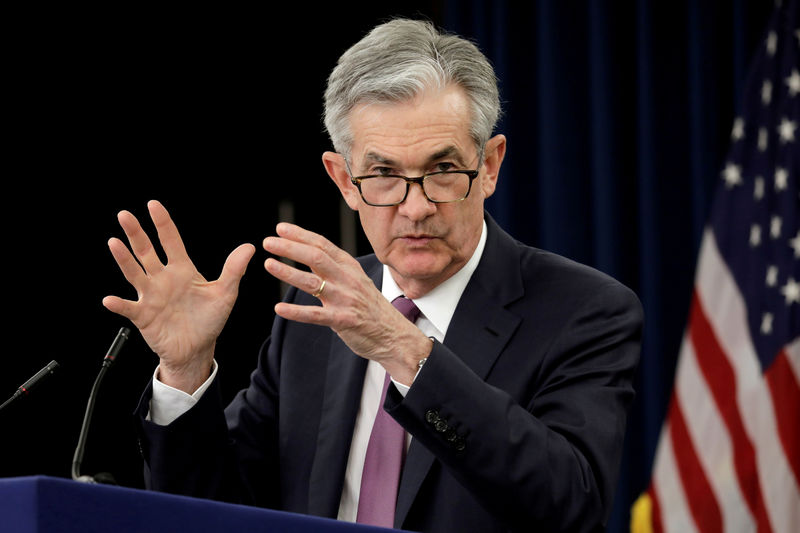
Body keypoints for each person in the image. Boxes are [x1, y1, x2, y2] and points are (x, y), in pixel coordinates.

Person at [104, 19, 643, 533]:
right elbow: (213, 510)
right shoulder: (315, 314)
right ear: (343, 179)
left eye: (441, 170)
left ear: (491, 166)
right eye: (384, 174)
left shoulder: (584, 310)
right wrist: (186, 371)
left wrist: (400, 347)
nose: (415, 207)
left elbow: (570, 504)